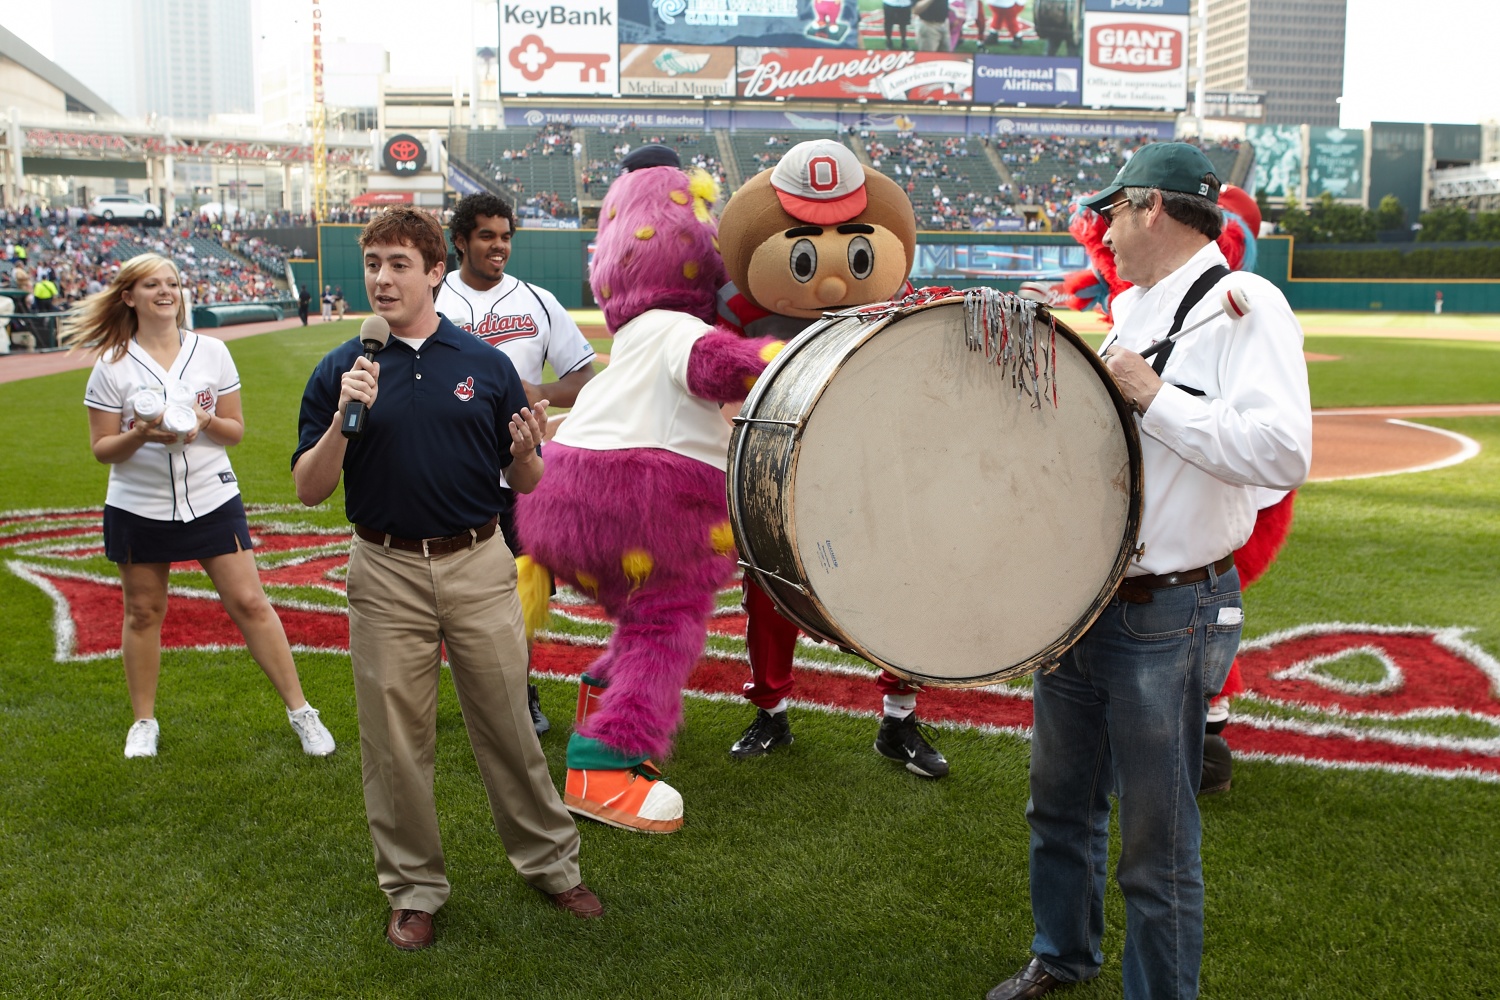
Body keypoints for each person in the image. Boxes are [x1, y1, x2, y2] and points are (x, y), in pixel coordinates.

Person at [985, 143, 1311, 1000]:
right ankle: (1062, 955)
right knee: (1059, 809)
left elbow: (1283, 454)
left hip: (1170, 609)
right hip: (1085, 600)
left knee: (1156, 847)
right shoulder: (1134, 307)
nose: (1104, 229)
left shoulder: (1251, 305)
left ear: (1153, 208)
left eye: (1113, 211)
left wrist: (1156, 397)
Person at [292, 207, 601, 951]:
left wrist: (530, 449)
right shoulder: (341, 367)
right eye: (373, 264)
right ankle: (413, 890)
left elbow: (522, 479)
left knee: (507, 725)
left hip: (477, 559)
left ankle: (552, 866)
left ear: (435, 271)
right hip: (384, 567)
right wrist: (343, 418)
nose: (382, 278)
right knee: (396, 741)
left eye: (398, 263)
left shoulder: (486, 365)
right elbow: (309, 489)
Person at [67, 252, 337, 761]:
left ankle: (303, 712)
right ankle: (143, 721)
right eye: (152, 285)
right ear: (129, 296)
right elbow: (102, 448)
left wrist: (202, 422)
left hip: (213, 495)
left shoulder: (211, 352)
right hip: (137, 502)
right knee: (144, 611)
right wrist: (141, 433)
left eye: (172, 283)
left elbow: (234, 431)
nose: (166, 292)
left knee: (251, 603)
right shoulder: (112, 364)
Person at [435, 192, 597, 735]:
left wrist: (536, 388)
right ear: (460, 241)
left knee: (523, 587)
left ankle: (521, 691)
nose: (498, 246)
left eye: (505, 235)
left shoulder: (538, 301)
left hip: (523, 475)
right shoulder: (433, 302)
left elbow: (583, 378)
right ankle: (462, 689)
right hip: (446, 473)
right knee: (448, 589)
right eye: (486, 235)